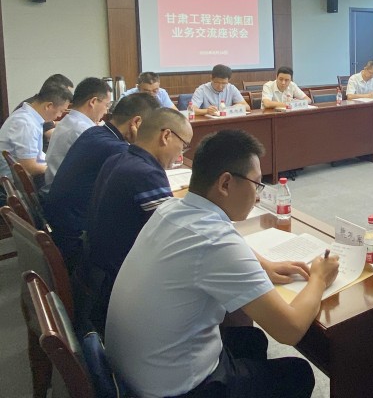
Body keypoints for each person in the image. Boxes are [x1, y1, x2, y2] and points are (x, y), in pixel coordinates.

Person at [106, 130, 340, 398]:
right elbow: (289, 330)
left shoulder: (171, 208)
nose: (258, 196)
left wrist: (264, 265)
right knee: (298, 373)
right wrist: (319, 278)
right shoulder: (215, 241)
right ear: (226, 183)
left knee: (250, 338)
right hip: (178, 390)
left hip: (136, 372)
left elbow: (217, 247)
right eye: (256, 184)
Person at [86, 108, 193, 331]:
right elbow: (175, 237)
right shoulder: (146, 174)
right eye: (183, 145)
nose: (180, 155)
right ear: (166, 136)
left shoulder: (118, 158)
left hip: (96, 275)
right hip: (121, 288)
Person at [44, 93, 160, 271]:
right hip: (78, 240)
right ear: (136, 123)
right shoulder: (117, 149)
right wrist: (143, 147)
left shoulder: (95, 132)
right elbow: (146, 172)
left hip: (61, 224)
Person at [42, 77, 112, 193]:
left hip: (56, 190)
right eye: (107, 105)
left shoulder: (68, 122)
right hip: (67, 194)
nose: (106, 111)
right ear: (93, 102)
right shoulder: (83, 130)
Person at [0, 82, 72, 183]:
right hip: (19, 184)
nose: (59, 116)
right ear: (49, 106)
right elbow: (30, 167)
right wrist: (57, 169)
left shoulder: (27, 116)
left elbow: (36, 157)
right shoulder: (26, 124)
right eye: (61, 111)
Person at [15, 73, 74, 148]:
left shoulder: (34, 106)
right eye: (66, 94)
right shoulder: (27, 122)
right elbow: (52, 134)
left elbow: (52, 124)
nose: (59, 115)